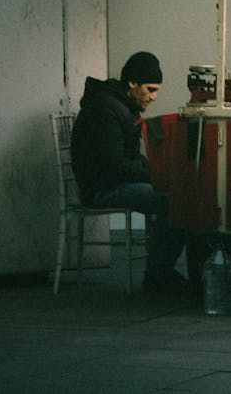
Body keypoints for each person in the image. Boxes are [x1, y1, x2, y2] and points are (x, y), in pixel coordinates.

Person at [71, 51, 187, 292]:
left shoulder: (120, 105)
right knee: (174, 202)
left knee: (175, 197)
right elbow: (115, 165)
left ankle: (159, 273)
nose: (154, 97)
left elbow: (128, 160)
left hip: (110, 183)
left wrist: (158, 171)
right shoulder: (106, 109)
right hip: (102, 190)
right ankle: (158, 275)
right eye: (151, 89)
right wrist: (157, 175)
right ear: (133, 83)